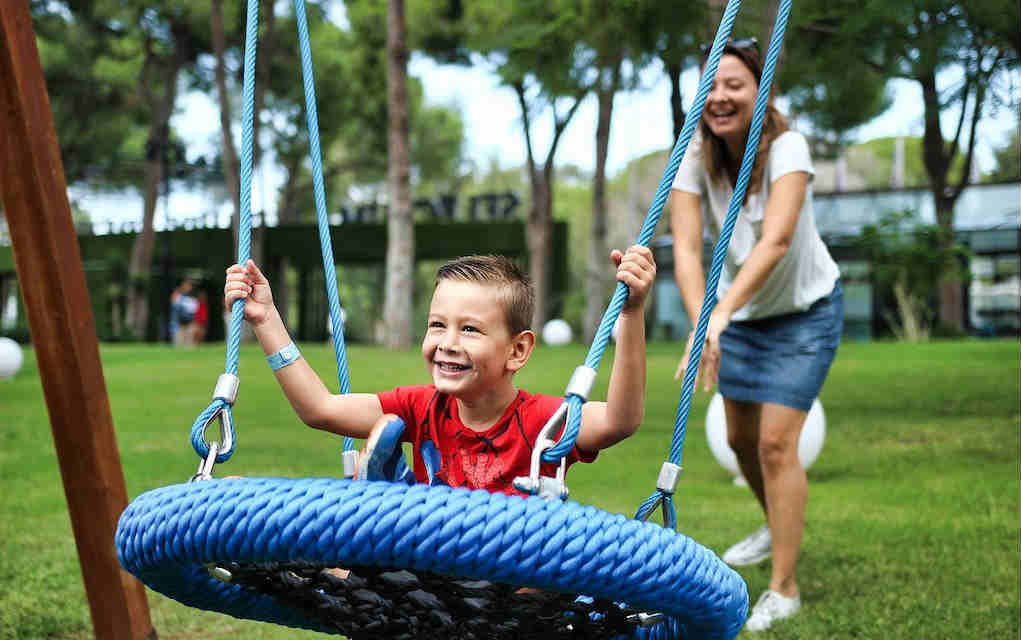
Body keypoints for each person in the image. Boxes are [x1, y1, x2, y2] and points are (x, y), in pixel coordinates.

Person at [223, 248, 656, 496]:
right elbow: (319, 409)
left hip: (512, 589)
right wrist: (266, 320)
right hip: (431, 581)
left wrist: (632, 315)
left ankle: (388, 493)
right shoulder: (418, 408)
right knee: (342, 559)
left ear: (518, 350)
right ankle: (386, 496)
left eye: (469, 329)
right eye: (436, 325)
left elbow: (620, 420)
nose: (447, 343)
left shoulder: (543, 422)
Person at [669, 39, 843, 632]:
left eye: (735, 84)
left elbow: (776, 240)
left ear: (761, 91)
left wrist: (721, 313)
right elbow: (687, 250)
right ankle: (777, 523)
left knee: (774, 445)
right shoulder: (695, 153)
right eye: (711, 86)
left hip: (804, 313)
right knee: (742, 442)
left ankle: (785, 587)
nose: (720, 97)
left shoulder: (788, 146)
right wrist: (703, 323)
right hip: (739, 318)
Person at [169, 279, 198, 347]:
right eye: (186, 286)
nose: (187, 288)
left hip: (189, 323)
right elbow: (174, 305)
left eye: (189, 286)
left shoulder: (193, 297)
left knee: (189, 344)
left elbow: (194, 311)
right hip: (179, 323)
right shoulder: (178, 295)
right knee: (179, 343)